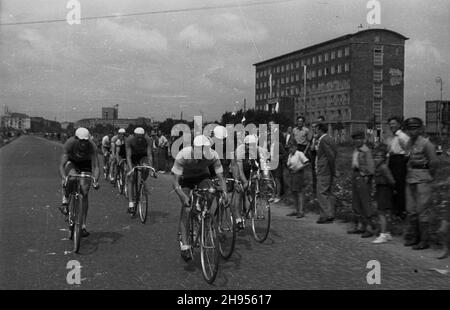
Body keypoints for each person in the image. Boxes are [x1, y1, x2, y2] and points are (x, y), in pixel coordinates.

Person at [172, 135, 227, 261]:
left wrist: (224, 192)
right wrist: (183, 197)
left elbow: (220, 177)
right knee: (186, 208)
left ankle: (202, 212)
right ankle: (185, 245)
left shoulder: (212, 155)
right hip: (185, 179)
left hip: (202, 176)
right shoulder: (183, 154)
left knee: (211, 191)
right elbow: (175, 183)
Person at [403, 117, 438, 250]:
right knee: (411, 210)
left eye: (415, 128)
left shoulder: (426, 144)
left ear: (421, 129)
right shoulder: (409, 144)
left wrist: (429, 176)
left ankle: (425, 240)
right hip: (411, 178)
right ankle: (414, 237)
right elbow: (407, 159)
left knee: (422, 211)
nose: (413, 131)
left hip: (423, 179)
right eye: (410, 129)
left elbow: (434, 162)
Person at [59, 127, 100, 237]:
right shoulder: (69, 144)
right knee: (71, 178)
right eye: (81, 141)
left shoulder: (92, 146)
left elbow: (96, 166)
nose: (83, 144)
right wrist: (64, 178)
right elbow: (62, 166)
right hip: (72, 163)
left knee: (85, 192)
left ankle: (82, 226)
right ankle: (65, 200)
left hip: (85, 165)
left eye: (85, 141)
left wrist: (95, 180)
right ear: (76, 139)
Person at [235, 134, 270, 230]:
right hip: (241, 169)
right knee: (240, 190)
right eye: (248, 145)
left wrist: (267, 181)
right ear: (245, 145)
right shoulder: (240, 150)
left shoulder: (261, 151)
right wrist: (244, 182)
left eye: (252, 146)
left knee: (254, 183)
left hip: (252, 168)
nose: (250, 148)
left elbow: (264, 167)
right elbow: (240, 170)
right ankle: (238, 219)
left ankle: (252, 202)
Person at [347, 131, 376, 238]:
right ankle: (360, 225)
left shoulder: (366, 151)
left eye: (359, 139)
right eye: (355, 139)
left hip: (363, 176)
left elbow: (371, 167)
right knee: (356, 201)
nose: (357, 141)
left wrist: (367, 177)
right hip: (355, 175)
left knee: (365, 201)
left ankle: (369, 227)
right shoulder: (356, 150)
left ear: (363, 139)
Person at [125, 127, 154, 214]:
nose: (140, 139)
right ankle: (131, 203)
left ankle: (142, 183)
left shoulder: (148, 139)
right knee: (131, 178)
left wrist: (151, 168)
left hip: (143, 156)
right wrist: (131, 169)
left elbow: (149, 155)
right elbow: (128, 156)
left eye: (142, 137)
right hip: (133, 157)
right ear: (134, 136)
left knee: (146, 168)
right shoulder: (129, 140)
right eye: (138, 137)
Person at [372, 143, 396, 244]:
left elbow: (391, 180)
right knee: (385, 212)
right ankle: (387, 232)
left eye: (379, 157)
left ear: (383, 158)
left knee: (381, 212)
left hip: (384, 189)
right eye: (375, 157)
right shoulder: (378, 167)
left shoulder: (383, 168)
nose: (376, 159)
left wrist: (392, 189)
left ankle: (382, 235)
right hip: (380, 189)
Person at [387, 116, 409, 219]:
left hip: (399, 162)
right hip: (392, 160)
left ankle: (401, 211)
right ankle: (394, 210)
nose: (391, 126)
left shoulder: (402, 136)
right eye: (390, 124)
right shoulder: (393, 137)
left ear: (399, 125)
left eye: (393, 124)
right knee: (392, 185)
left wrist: (402, 161)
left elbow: (408, 151)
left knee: (399, 186)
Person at [314, 123, 337, 224]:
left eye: (316, 129)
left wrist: (332, 169)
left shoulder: (324, 140)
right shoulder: (330, 139)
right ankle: (330, 213)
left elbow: (330, 156)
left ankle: (325, 215)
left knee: (321, 193)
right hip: (327, 169)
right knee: (328, 192)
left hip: (324, 169)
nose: (315, 131)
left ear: (320, 130)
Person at [286, 141, 309, 218]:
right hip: (292, 174)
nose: (290, 149)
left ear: (296, 147)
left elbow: (307, 163)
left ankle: (301, 211)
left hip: (298, 174)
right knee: (293, 192)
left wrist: (298, 169)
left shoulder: (299, 154)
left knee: (299, 192)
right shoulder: (290, 155)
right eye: (289, 148)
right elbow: (289, 164)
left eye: (292, 147)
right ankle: (296, 209)